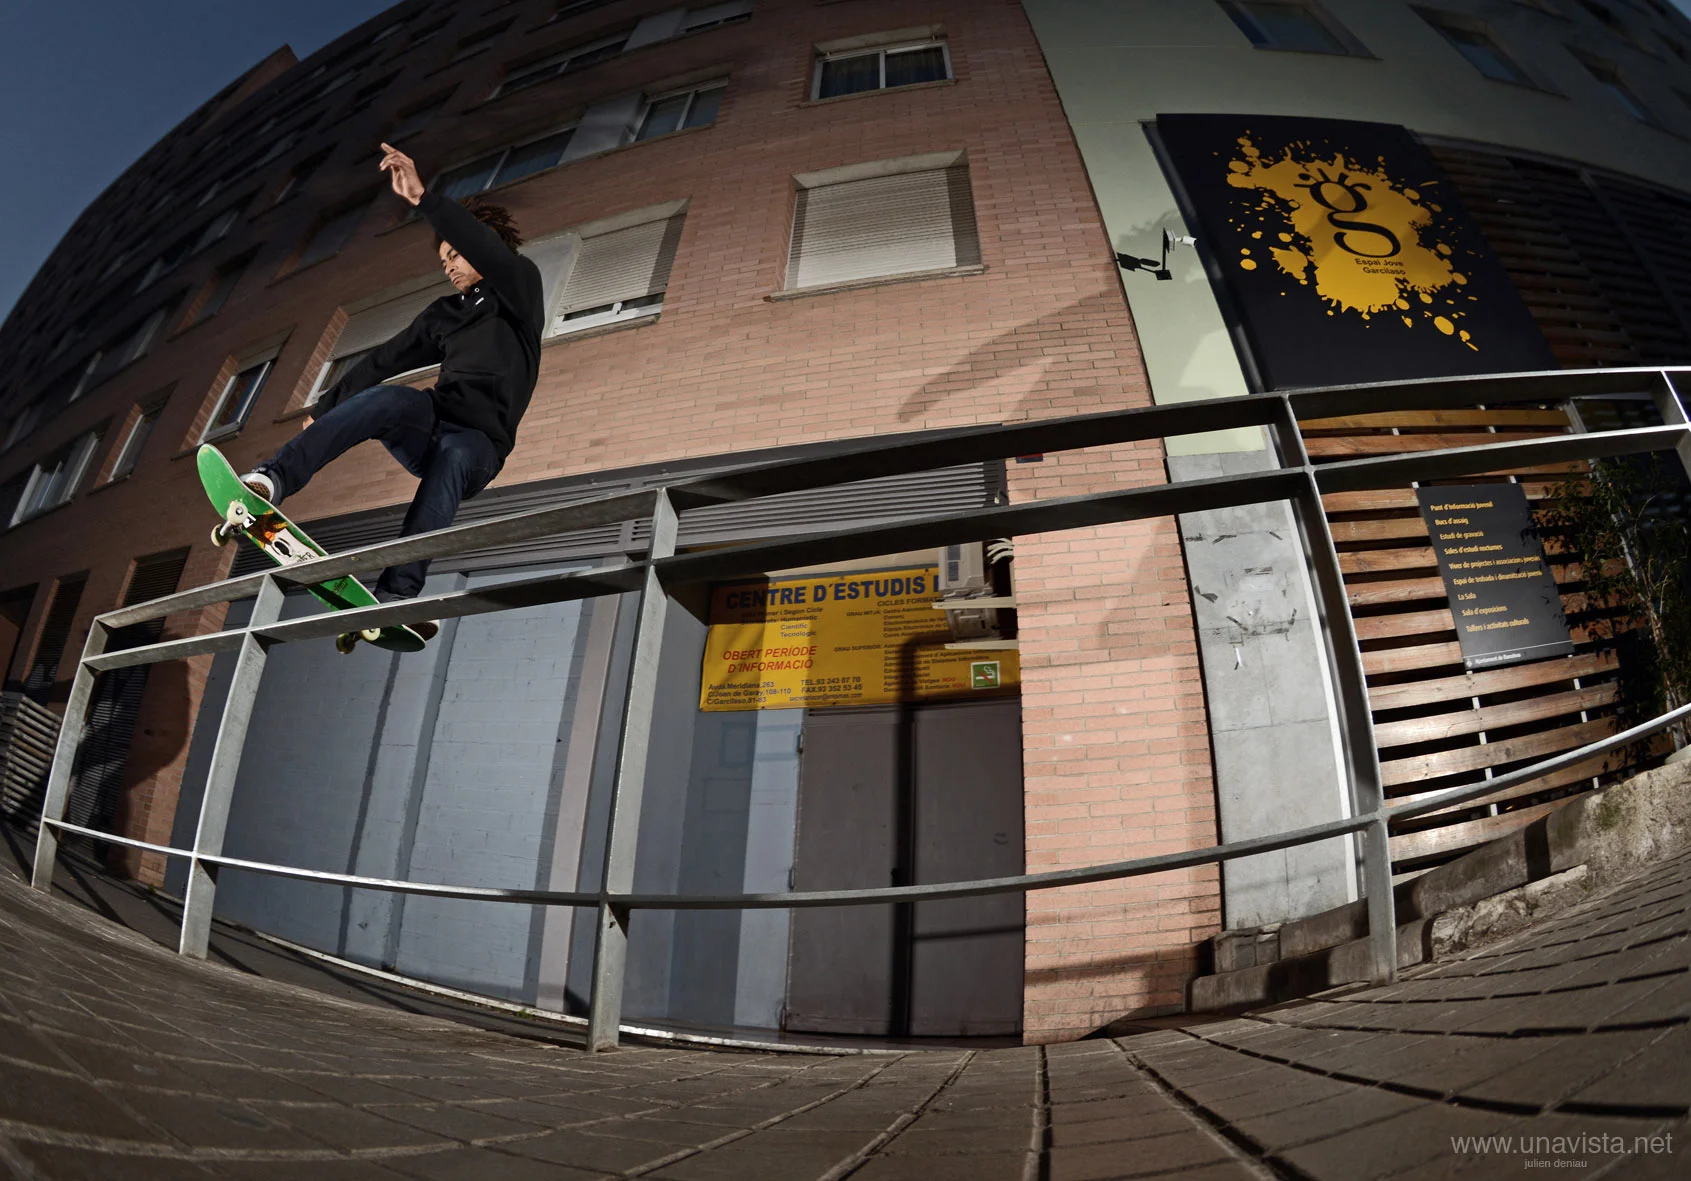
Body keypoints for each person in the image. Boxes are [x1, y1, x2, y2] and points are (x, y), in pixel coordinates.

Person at [240, 143, 543, 640]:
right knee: (389, 398)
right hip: (433, 422)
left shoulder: (519, 287)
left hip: (480, 447)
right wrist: (326, 408)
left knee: (453, 454)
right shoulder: (444, 315)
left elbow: (487, 249)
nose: (448, 264)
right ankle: (272, 480)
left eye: (455, 252)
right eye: (442, 258)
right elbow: (384, 359)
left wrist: (426, 201)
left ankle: (398, 597)